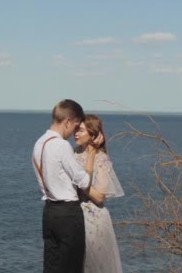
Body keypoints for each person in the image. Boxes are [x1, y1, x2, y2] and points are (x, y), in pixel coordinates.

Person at [32, 99, 97, 273]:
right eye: (76, 127)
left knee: (51, 266)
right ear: (67, 121)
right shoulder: (61, 145)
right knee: (71, 266)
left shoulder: (38, 144)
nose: (76, 132)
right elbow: (83, 181)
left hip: (49, 212)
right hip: (68, 214)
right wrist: (91, 155)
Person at [74, 114, 124, 273]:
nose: (76, 133)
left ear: (93, 135)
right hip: (74, 218)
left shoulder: (101, 159)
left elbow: (99, 196)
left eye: (81, 130)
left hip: (93, 219)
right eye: (76, 129)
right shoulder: (72, 153)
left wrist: (81, 184)